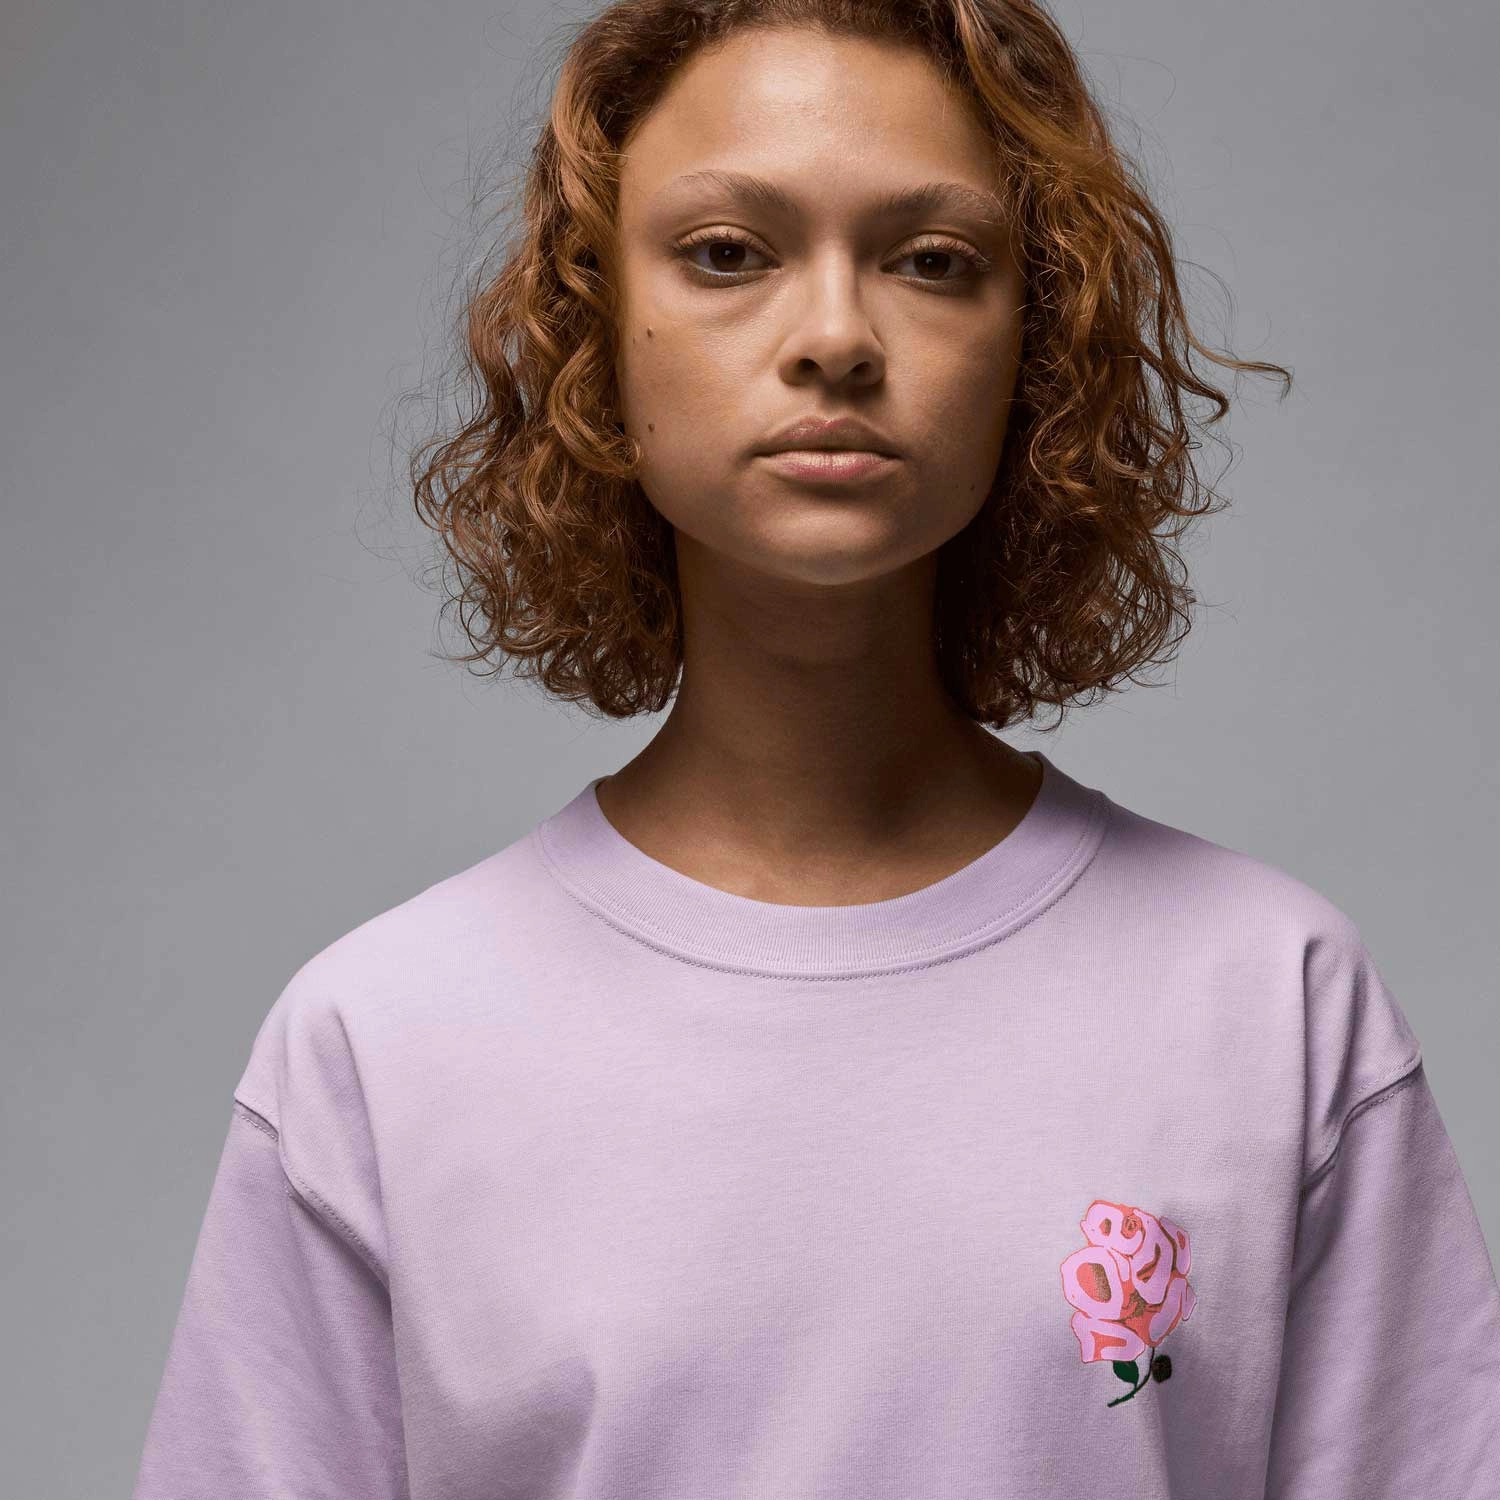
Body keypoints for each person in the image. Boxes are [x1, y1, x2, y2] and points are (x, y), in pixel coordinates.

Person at [131, 1, 1500, 1496]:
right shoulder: (381, 1044)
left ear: (1036, 343)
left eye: (934, 260)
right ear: (594, 329)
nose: (837, 337)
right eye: (729, 253)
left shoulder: (1274, 1002)